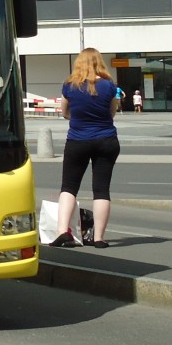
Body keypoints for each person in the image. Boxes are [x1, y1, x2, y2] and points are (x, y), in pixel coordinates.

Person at [50, 47, 121, 249]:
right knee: (101, 189)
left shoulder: (70, 85)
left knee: (69, 187)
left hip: (78, 140)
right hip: (106, 140)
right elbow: (112, 113)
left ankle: (63, 231)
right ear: (100, 62)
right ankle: (98, 238)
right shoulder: (109, 86)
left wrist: (79, 118)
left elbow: (64, 112)